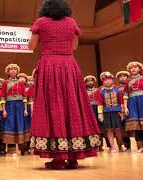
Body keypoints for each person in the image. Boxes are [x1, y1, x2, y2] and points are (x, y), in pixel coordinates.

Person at [28, 0, 100, 169]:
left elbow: (31, 45)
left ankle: (58, 158)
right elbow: (74, 46)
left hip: (49, 66)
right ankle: (74, 156)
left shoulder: (41, 22)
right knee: (73, 105)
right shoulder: (71, 22)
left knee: (54, 107)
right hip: (69, 65)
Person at [1, 64, 29, 157]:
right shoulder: (5, 83)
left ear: (17, 71)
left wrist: (25, 109)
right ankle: (11, 150)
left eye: (15, 69)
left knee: (21, 125)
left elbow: (24, 96)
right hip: (9, 106)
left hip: (20, 106)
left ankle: (23, 149)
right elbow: (2, 97)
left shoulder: (21, 83)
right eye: (11, 69)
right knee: (11, 125)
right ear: (8, 72)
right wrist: (4, 110)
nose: (13, 71)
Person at [98, 72, 124, 153]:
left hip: (117, 112)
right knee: (109, 130)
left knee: (118, 130)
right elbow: (100, 103)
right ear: (103, 81)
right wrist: (100, 114)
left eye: (109, 79)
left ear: (112, 80)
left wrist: (122, 112)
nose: (107, 81)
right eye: (105, 80)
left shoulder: (117, 90)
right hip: (106, 112)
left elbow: (121, 101)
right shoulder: (101, 92)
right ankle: (112, 147)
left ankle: (120, 145)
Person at [116, 70, 132, 151]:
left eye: (124, 76)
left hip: (131, 107)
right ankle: (126, 146)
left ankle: (140, 146)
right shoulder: (116, 89)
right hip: (121, 109)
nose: (122, 78)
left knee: (132, 127)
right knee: (123, 128)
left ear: (127, 77)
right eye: (120, 76)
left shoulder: (131, 86)